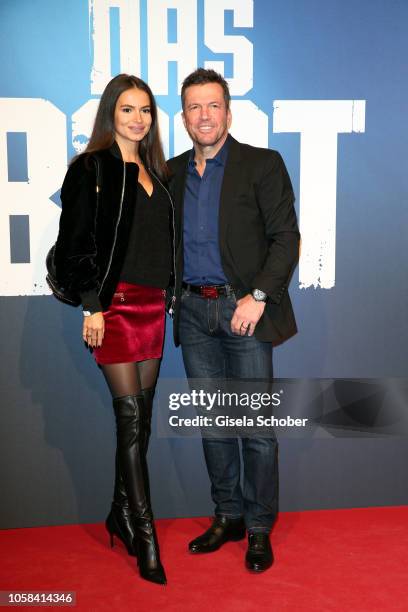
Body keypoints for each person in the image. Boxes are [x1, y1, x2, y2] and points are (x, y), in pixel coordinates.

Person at [167, 68, 300, 573]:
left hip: (245, 311)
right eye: (194, 107)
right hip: (195, 314)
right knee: (215, 425)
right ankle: (228, 516)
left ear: (228, 111)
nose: (204, 115)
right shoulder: (172, 172)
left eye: (213, 105)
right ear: (184, 117)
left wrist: (258, 296)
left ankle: (260, 528)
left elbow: (286, 238)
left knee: (256, 429)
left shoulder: (262, 164)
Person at [53, 74, 174, 585]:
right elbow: (74, 242)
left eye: (144, 110)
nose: (137, 119)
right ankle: (144, 534)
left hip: (153, 308)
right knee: (130, 422)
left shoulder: (158, 171)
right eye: (127, 110)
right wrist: (91, 306)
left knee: (141, 422)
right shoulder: (91, 168)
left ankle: (118, 513)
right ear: (110, 114)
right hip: (115, 308)